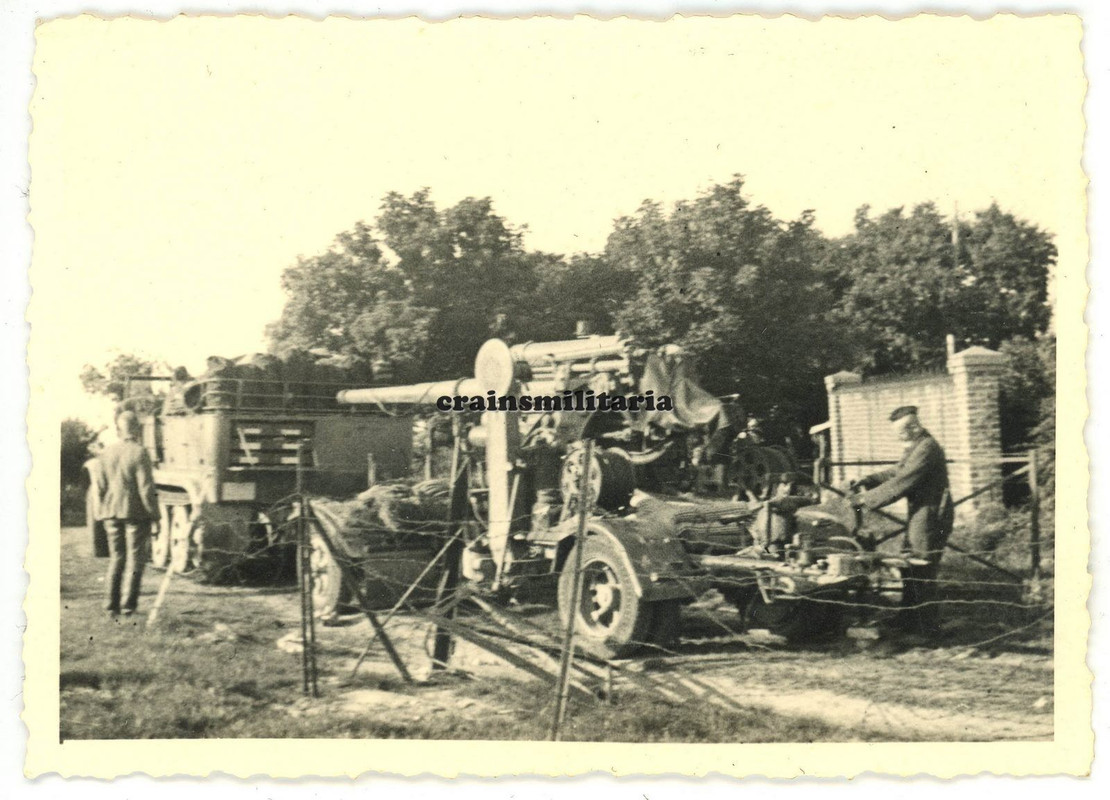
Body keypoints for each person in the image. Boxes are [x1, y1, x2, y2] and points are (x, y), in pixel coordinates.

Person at [850, 406, 953, 640]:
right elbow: (897, 471)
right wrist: (869, 479)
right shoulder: (917, 445)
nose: (898, 437)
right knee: (909, 566)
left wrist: (865, 499)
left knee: (922, 569)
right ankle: (907, 618)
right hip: (920, 513)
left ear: (914, 427)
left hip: (931, 515)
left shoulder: (927, 448)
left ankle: (927, 630)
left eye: (900, 433)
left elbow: (904, 481)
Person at [94, 411, 159, 617]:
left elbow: (100, 487)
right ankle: (128, 606)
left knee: (116, 558)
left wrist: (101, 510)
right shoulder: (140, 452)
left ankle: (111, 606)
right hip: (135, 514)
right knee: (135, 560)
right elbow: (146, 489)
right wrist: (155, 515)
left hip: (111, 513)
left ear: (119, 430)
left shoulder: (106, 453)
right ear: (137, 429)